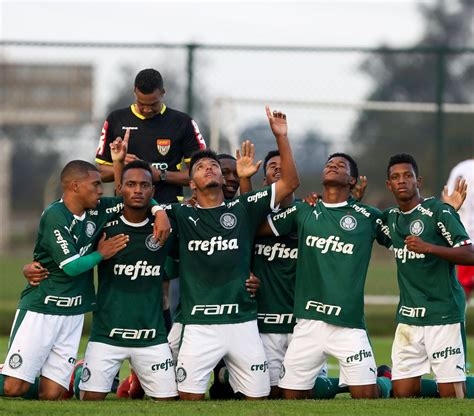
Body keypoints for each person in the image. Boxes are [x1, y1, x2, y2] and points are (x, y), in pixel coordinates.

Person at [116, 106, 298, 400]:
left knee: (260, 398)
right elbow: (130, 202)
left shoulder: (243, 209)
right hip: (199, 325)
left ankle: (225, 378)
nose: (210, 169)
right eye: (201, 168)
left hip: (241, 323)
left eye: (213, 165)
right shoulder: (180, 215)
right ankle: (140, 380)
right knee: (189, 399)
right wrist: (158, 209)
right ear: (192, 184)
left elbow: (290, 183)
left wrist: (282, 138)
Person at [266, 153, 392, 400]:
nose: (332, 166)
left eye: (340, 165)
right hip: (308, 323)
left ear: (353, 180)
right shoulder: (303, 210)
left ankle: (385, 381)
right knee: (290, 396)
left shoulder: (368, 217)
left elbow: (400, 239)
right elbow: (251, 227)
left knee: (367, 396)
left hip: (348, 324)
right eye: (329, 164)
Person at [0, 161, 130, 400]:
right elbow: (71, 267)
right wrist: (102, 253)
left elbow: (131, 199)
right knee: (12, 388)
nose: (101, 190)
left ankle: (76, 371)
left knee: (52, 395)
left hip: (73, 313)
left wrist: (158, 211)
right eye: (96, 185)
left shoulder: (97, 209)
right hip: (42, 309)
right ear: (75, 186)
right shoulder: (55, 215)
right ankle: (12, 373)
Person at [78, 160, 178, 401]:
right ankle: (79, 372)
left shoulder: (165, 227)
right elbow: (72, 253)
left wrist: (160, 212)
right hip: (106, 334)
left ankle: (132, 382)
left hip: (151, 336)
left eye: (145, 185)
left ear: (153, 191)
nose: (137, 190)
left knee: (169, 402)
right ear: (120, 188)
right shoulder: (103, 223)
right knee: (90, 400)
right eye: (131, 184)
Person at [384, 153, 474, 399]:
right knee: (402, 393)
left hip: (443, 314)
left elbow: (469, 253)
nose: (402, 181)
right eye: (395, 177)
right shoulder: (390, 218)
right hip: (409, 318)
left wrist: (429, 247)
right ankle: (384, 379)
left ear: (418, 181)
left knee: (453, 395)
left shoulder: (438, 211)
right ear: (389, 185)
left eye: (408, 176)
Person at [95, 68, 206, 204]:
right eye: (141, 104)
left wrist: (161, 175)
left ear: (163, 93)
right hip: (126, 207)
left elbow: (201, 174)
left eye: (153, 104)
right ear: (134, 92)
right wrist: (120, 164)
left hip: (168, 205)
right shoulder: (116, 119)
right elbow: (102, 173)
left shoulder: (182, 122)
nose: (147, 109)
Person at [447, 159, 474, 303]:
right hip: (466, 238)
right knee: (462, 288)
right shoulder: (462, 168)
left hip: (461, 238)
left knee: (462, 289)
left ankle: (457, 324)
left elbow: (447, 201)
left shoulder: (460, 167)